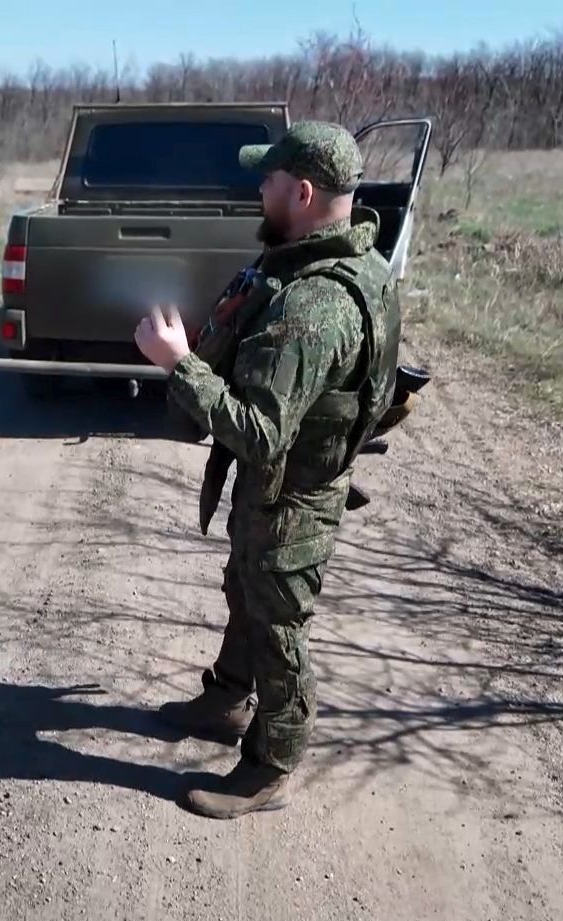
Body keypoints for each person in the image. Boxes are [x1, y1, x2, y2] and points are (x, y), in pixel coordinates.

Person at [133, 121, 401, 820]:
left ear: (303, 191)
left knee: (279, 624)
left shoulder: (315, 304)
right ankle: (226, 697)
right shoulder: (360, 263)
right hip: (285, 488)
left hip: (290, 496)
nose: (259, 188)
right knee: (243, 588)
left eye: (270, 181)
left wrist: (178, 363)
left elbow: (257, 432)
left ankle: (269, 767)